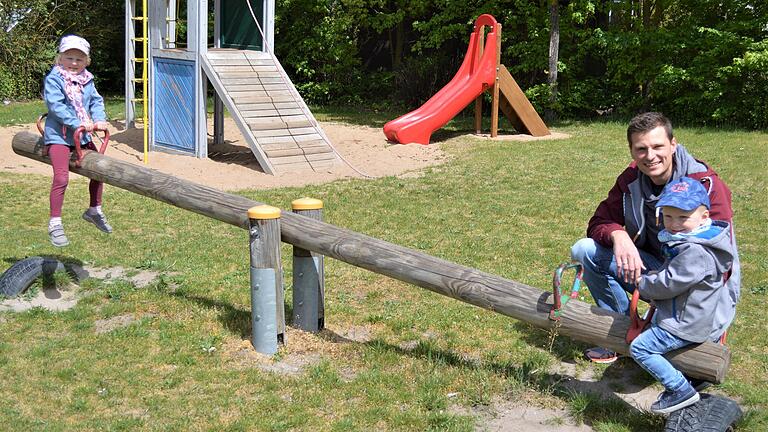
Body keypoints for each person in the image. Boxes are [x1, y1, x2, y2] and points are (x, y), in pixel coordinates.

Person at [570, 112, 740, 364]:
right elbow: (599, 222)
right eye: (641, 149)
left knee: (692, 370)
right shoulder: (630, 179)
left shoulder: (704, 183)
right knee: (585, 250)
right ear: (632, 151)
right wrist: (619, 235)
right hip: (653, 269)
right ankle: (618, 332)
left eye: (658, 146)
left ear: (673, 144)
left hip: (695, 282)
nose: (650, 156)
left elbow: (720, 260)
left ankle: (692, 338)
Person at [630, 176, 736, 413]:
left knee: (640, 348)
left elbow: (669, 283)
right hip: (688, 316)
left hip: (685, 324)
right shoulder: (696, 240)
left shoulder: (695, 252)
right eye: (668, 216)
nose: (674, 224)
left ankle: (679, 389)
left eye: (683, 217)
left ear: (704, 217)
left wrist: (644, 283)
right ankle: (689, 380)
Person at [43, 34, 112, 247]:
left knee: (99, 169)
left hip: (81, 136)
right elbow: (56, 106)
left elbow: (96, 101)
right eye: (69, 58)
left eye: (79, 59)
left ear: (86, 62)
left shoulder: (87, 80)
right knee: (62, 178)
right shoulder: (54, 79)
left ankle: (94, 210)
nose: (74, 63)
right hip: (60, 136)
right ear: (60, 58)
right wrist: (76, 122)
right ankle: (55, 223)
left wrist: (99, 119)